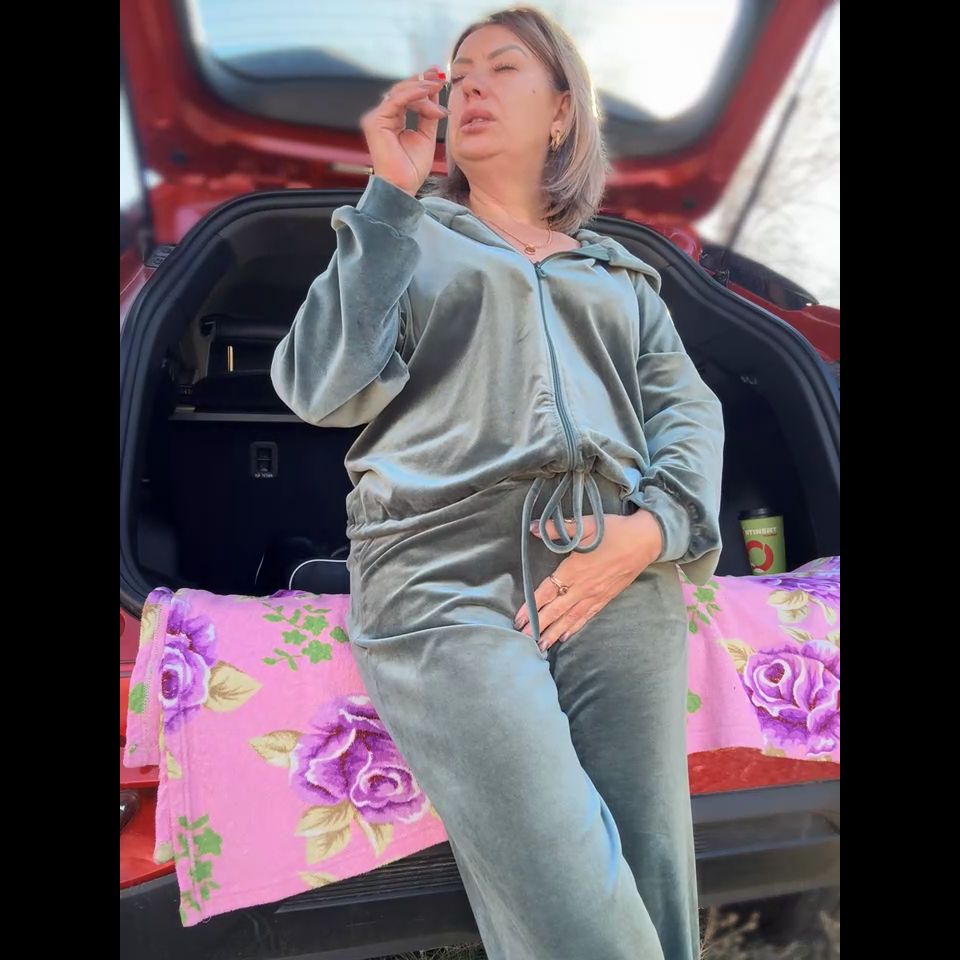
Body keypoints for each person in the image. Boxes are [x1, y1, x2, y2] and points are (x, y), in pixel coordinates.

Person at [271, 8, 724, 958]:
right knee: (575, 901)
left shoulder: (622, 274)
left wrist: (654, 531)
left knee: (652, 877)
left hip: (615, 566)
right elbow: (322, 387)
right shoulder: (406, 237)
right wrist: (388, 199)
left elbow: (687, 412)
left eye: (503, 66)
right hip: (441, 571)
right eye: (460, 70)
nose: (470, 83)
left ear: (562, 111)